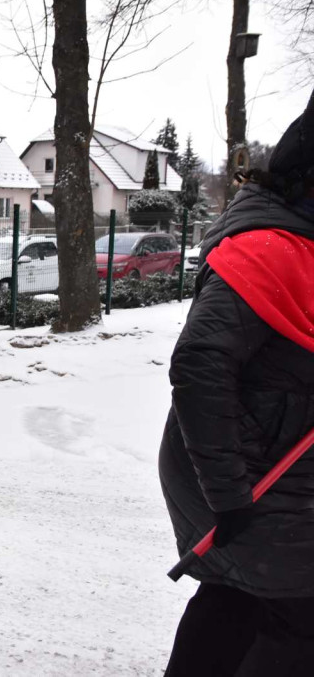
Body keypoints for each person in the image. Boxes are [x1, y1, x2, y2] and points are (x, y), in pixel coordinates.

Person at [160, 89, 314, 675]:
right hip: (251, 480)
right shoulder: (271, 248)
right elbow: (199, 365)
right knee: (293, 622)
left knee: (235, 599)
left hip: (272, 479)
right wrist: (231, 494)